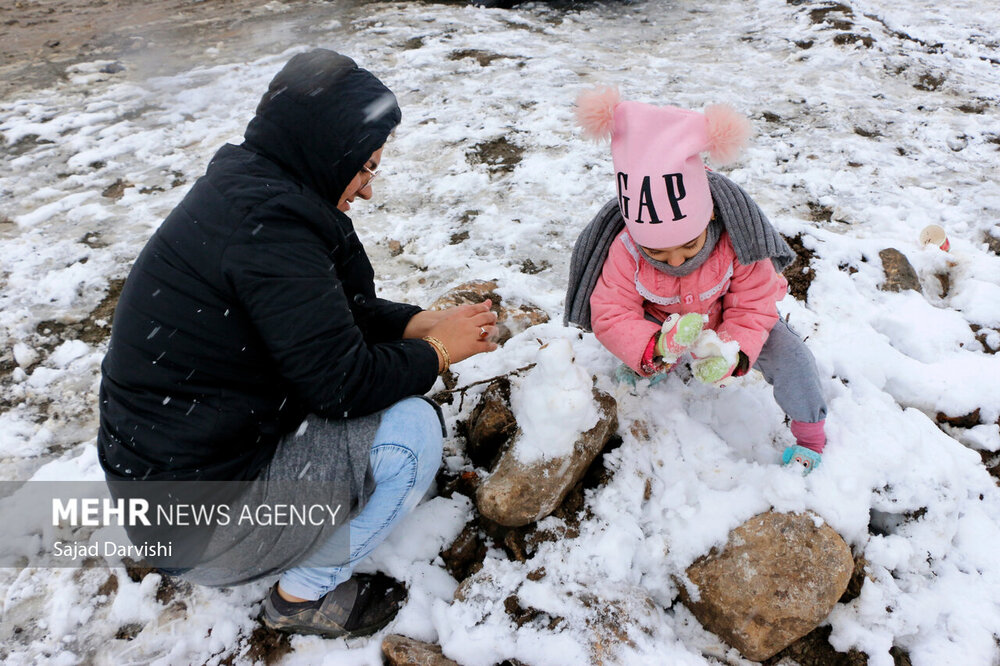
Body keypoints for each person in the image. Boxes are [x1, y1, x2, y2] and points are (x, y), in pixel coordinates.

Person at [97, 49, 498, 638]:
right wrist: (438, 354)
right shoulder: (274, 234)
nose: (365, 190)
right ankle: (301, 598)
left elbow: (326, 316)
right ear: (324, 152)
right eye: (363, 168)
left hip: (166, 491)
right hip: (203, 529)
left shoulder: (255, 195)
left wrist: (415, 323)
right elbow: (342, 383)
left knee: (385, 394)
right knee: (413, 432)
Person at [565, 88, 827, 473]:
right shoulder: (625, 249)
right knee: (640, 352)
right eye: (657, 253)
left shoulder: (737, 239)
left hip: (725, 319)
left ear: (707, 219)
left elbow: (754, 304)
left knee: (792, 357)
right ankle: (654, 364)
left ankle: (811, 437)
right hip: (661, 325)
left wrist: (735, 351)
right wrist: (654, 346)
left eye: (688, 247)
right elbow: (612, 312)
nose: (675, 261)